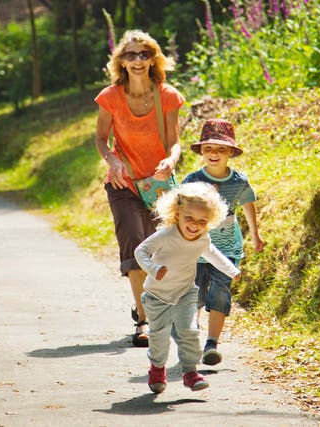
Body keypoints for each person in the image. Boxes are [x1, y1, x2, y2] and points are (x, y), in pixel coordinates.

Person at [94, 29, 185, 347]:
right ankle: (144, 322)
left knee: (160, 248)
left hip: (159, 182)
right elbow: (100, 140)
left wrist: (171, 162)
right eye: (130, 55)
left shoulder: (168, 95)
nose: (137, 60)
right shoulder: (110, 97)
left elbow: (175, 144)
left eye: (143, 54)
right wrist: (112, 161)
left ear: (153, 59)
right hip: (123, 183)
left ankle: (149, 304)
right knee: (134, 243)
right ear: (121, 60)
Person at [134, 182, 241, 393]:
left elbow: (213, 254)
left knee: (189, 332)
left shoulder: (202, 239)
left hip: (185, 294)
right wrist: (154, 269)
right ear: (177, 213)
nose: (195, 225)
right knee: (159, 337)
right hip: (157, 296)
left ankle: (190, 372)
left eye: (202, 221)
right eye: (189, 218)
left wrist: (232, 270)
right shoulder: (166, 235)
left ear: (210, 221)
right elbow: (140, 251)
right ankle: (157, 368)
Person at [182, 118, 265, 366]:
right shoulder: (192, 180)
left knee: (219, 293)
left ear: (230, 152)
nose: (214, 154)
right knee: (194, 294)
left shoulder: (239, 181)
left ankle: (211, 345)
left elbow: (248, 205)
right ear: (202, 153)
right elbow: (180, 213)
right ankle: (191, 334)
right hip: (195, 247)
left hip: (227, 247)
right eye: (208, 149)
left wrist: (256, 235)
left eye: (220, 149)